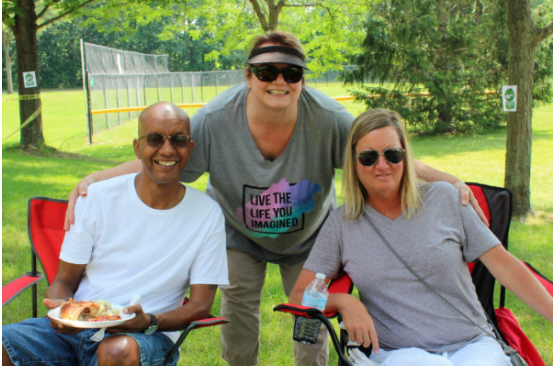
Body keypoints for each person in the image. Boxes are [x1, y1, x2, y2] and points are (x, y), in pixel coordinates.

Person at [63, 32, 486, 366]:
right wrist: (97, 178)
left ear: (303, 79)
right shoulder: (214, 120)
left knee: (312, 322)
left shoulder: (330, 119)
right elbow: (165, 158)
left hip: (310, 238)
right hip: (238, 234)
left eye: (291, 72)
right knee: (239, 317)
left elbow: (384, 153)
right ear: (248, 75)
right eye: (267, 72)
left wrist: (449, 179)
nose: (279, 81)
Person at [289, 108, 553, 366]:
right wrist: (344, 302)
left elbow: (505, 266)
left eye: (392, 154)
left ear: (405, 156)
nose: (382, 165)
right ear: (353, 162)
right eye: (368, 157)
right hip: (396, 352)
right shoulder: (342, 224)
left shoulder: (444, 199)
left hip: (472, 344)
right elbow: (299, 294)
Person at [2, 102, 229, 366]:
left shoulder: (206, 214)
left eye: (178, 140)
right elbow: (64, 279)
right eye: (154, 139)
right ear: (138, 147)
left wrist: (150, 321)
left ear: (189, 148)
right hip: (79, 329)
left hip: (146, 336)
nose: (167, 150)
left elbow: (200, 306)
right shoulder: (98, 197)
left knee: (117, 351)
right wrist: (64, 310)